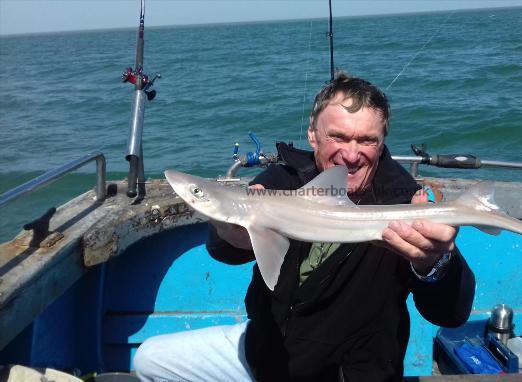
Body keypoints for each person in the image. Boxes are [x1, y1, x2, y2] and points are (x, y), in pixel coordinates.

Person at [134, 73, 475, 381]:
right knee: (150, 359)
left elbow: (451, 313)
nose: (351, 155)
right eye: (338, 136)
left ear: (383, 141)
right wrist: (229, 233)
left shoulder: (403, 202)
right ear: (313, 134)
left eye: (367, 140)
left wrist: (433, 263)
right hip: (267, 354)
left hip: (350, 372)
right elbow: (224, 250)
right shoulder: (285, 177)